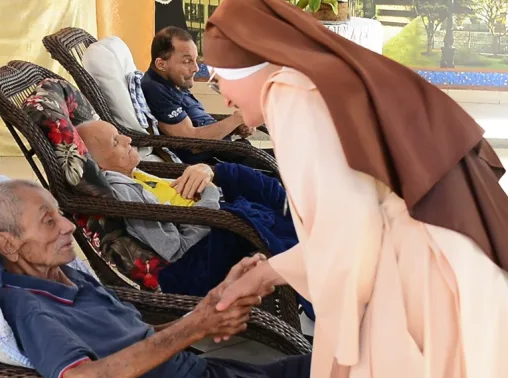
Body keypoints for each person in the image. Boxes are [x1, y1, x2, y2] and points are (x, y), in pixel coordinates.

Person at [202, 0, 508, 377]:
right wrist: (268, 273)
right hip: (447, 254)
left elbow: (349, 236)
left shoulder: (288, 93)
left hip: (415, 279)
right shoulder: (321, 81)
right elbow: (355, 218)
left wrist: (341, 354)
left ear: (252, 65)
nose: (224, 96)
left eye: (219, 78)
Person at [0, 179, 311, 378]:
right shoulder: (31, 307)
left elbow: (137, 339)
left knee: (334, 362)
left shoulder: (69, 277)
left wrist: (209, 309)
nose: (69, 226)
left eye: (61, 214)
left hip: (208, 370)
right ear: (8, 244)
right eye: (49, 220)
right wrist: (195, 328)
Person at [76, 120, 304, 302]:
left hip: (205, 217)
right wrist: (210, 197)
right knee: (267, 213)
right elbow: (176, 248)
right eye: (116, 142)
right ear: (100, 166)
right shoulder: (123, 192)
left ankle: (309, 231)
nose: (128, 138)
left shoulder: (135, 174)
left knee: (259, 187)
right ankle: (307, 253)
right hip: (200, 249)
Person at [141, 27, 263, 165]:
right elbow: (192, 143)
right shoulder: (156, 90)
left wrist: (235, 126)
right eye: (187, 61)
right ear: (161, 64)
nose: (196, 68)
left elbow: (199, 123)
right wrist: (238, 118)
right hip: (216, 162)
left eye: (195, 60)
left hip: (229, 151)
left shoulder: (174, 82)